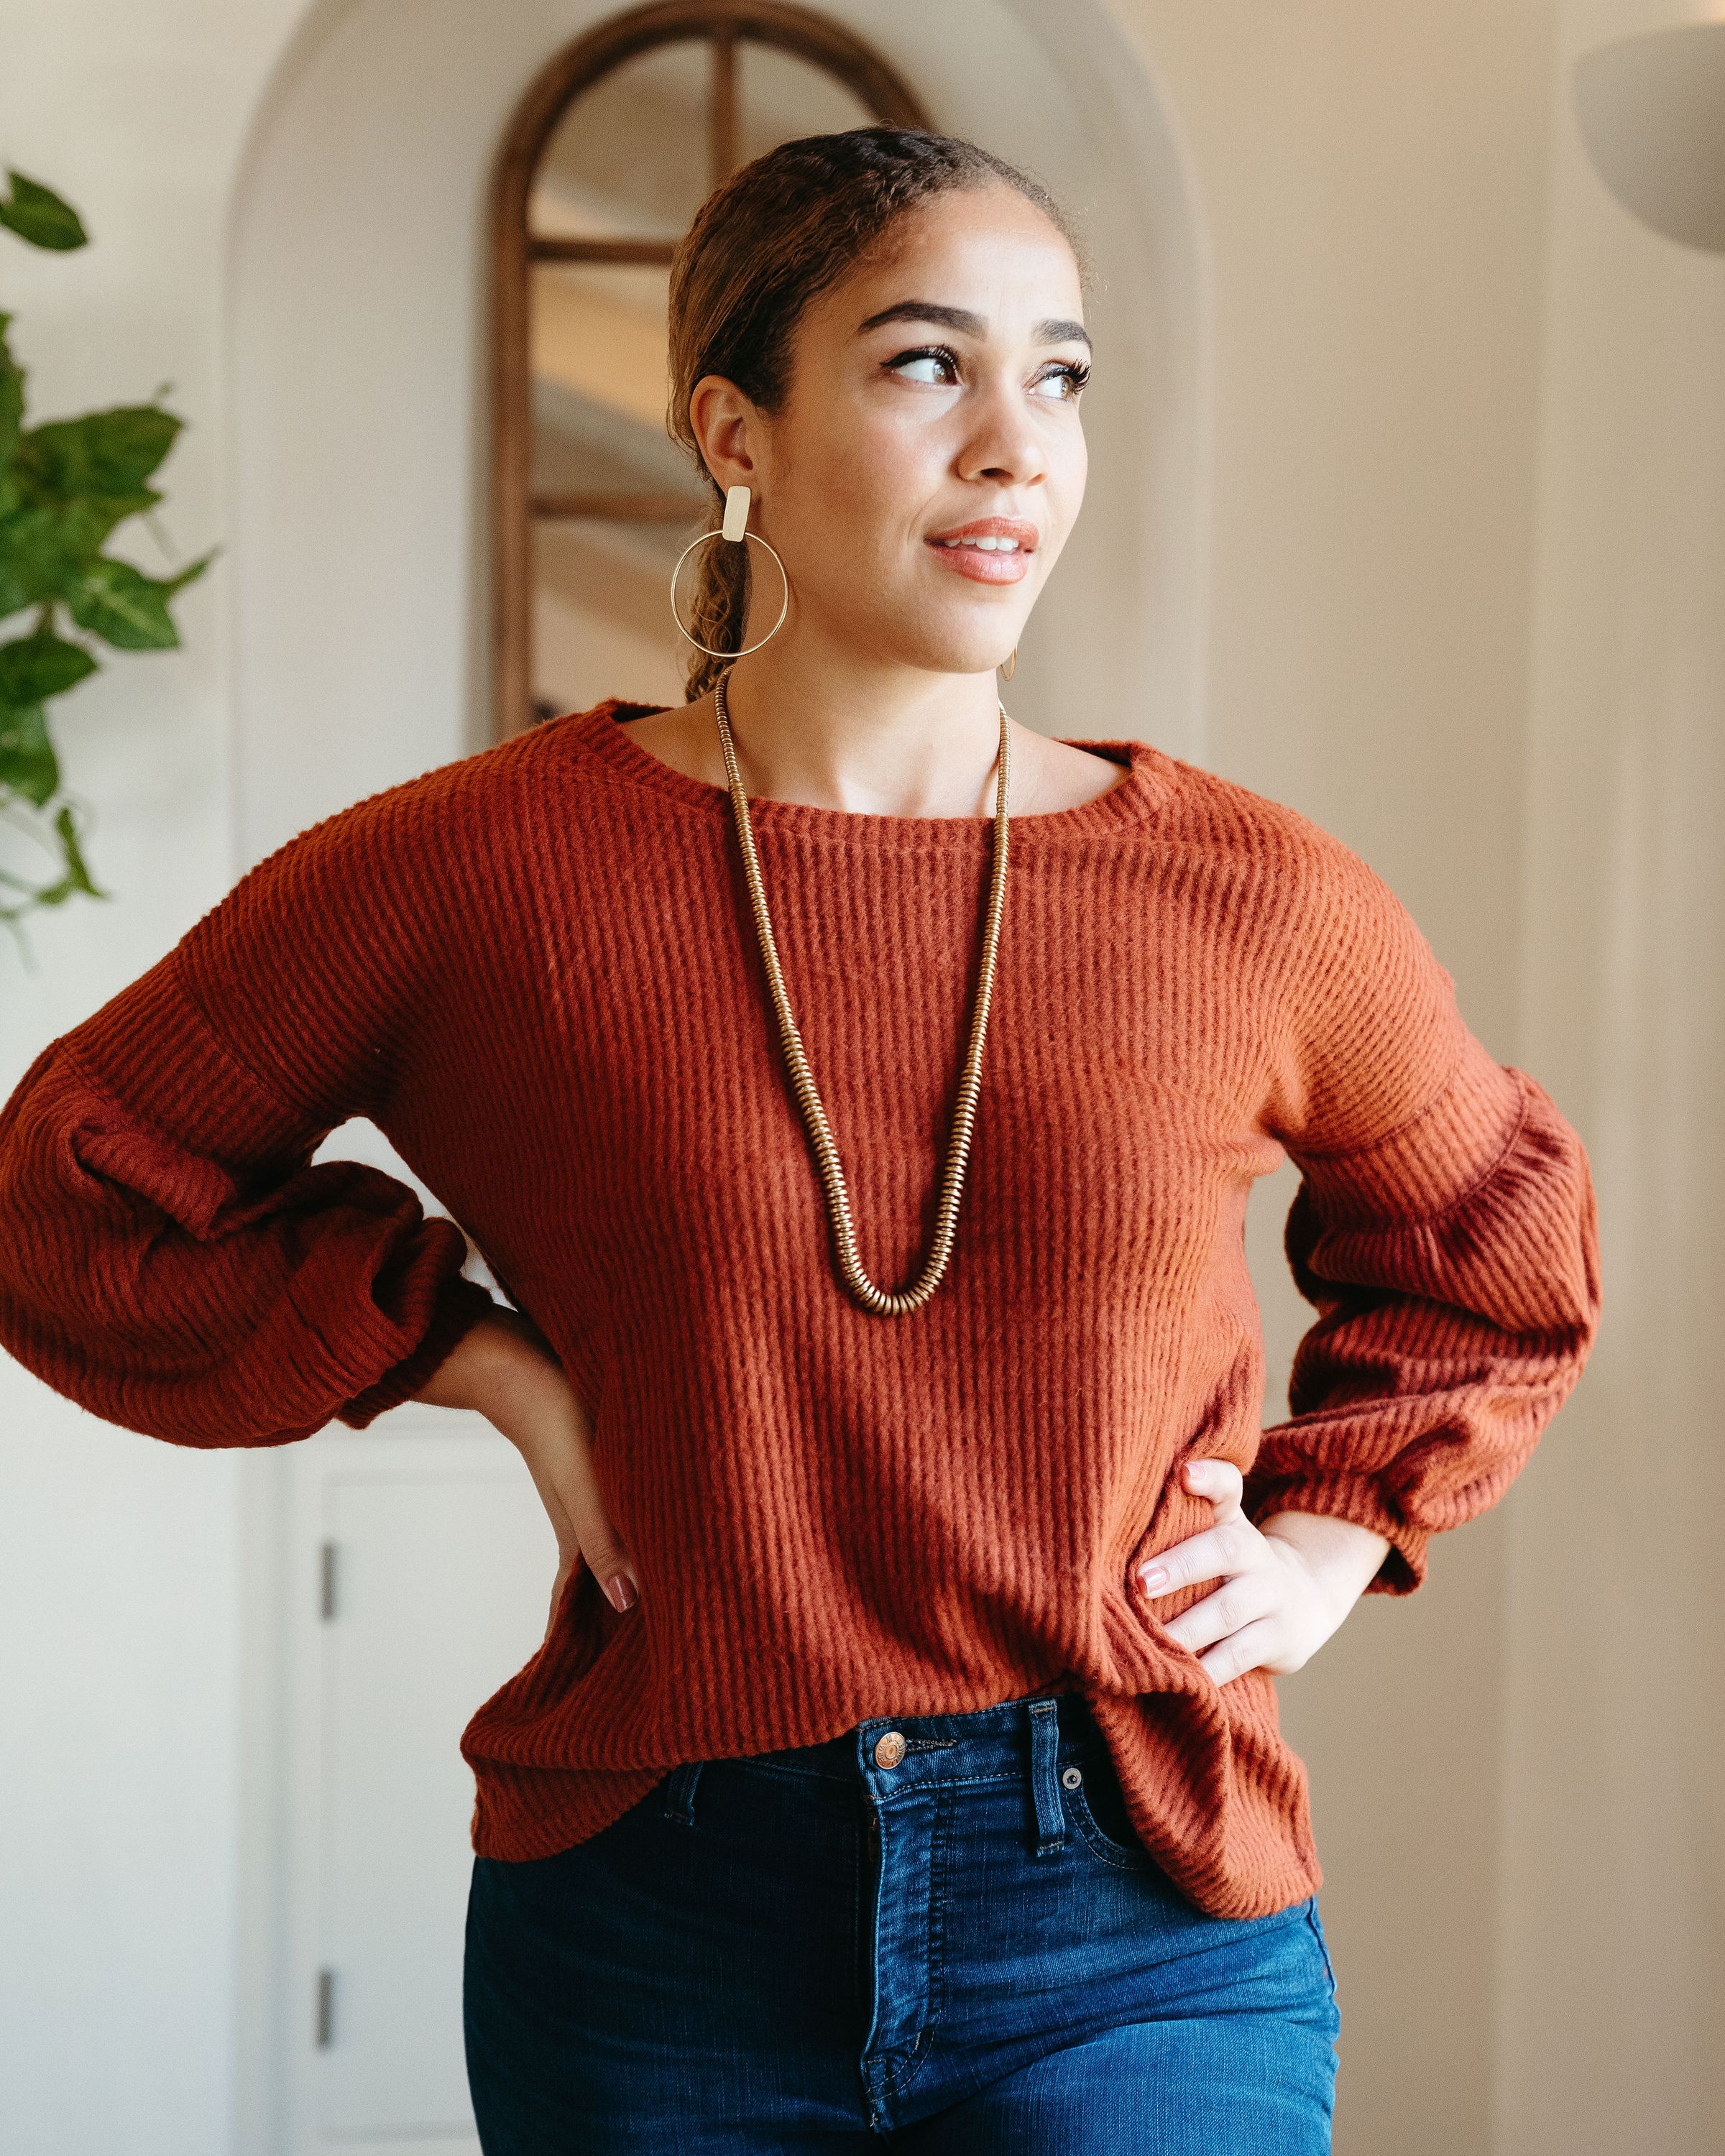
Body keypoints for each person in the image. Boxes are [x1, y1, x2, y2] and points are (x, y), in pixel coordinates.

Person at [0, 126, 1600, 2153]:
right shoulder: (479, 874)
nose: (1019, 445)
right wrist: (474, 1359)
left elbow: (1494, 1246)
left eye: (1065, 375)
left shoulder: (1248, 898)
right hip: (656, 1913)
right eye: (929, 363)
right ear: (730, 427)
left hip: (1132, 1904)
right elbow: (72, 1184)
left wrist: (1328, 1536)